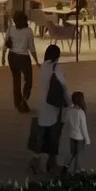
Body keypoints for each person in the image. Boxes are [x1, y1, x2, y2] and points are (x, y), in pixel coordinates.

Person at [30, 45, 69, 175]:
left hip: (41, 105)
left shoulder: (43, 67)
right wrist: (69, 103)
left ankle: (36, 161)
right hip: (53, 106)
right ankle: (52, 163)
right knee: (54, 136)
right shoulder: (56, 67)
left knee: (41, 135)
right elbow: (63, 86)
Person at [5, 10, 35, 112]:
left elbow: (5, 43)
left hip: (12, 56)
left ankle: (17, 102)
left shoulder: (11, 29)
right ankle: (24, 100)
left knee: (16, 80)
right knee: (28, 80)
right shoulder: (28, 31)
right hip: (23, 57)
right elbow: (32, 48)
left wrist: (2, 57)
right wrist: (37, 61)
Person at [60, 91, 91, 175]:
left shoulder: (70, 111)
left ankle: (65, 166)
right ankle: (77, 170)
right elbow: (83, 127)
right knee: (79, 155)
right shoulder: (81, 113)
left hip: (71, 136)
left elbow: (64, 120)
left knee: (72, 152)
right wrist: (87, 139)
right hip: (80, 137)